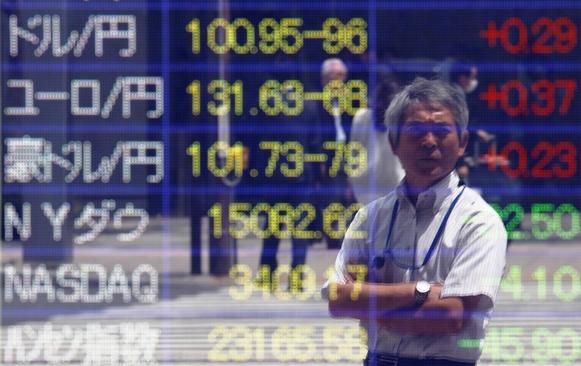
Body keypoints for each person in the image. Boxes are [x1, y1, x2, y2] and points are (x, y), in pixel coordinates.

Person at [323, 78, 507, 365]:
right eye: (416, 130)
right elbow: (338, 299)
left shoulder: (479, 222)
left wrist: (370, 304)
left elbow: (451, 315)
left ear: (462, 143)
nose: (429, 141)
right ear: (394, 143)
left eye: (441, 130)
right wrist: (419, 291)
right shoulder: (369, 219)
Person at [349, 75, 405, 205]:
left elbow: (354, 153)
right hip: (384, 187)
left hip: (369, 187)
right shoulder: (402, 120)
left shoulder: (361, 117)